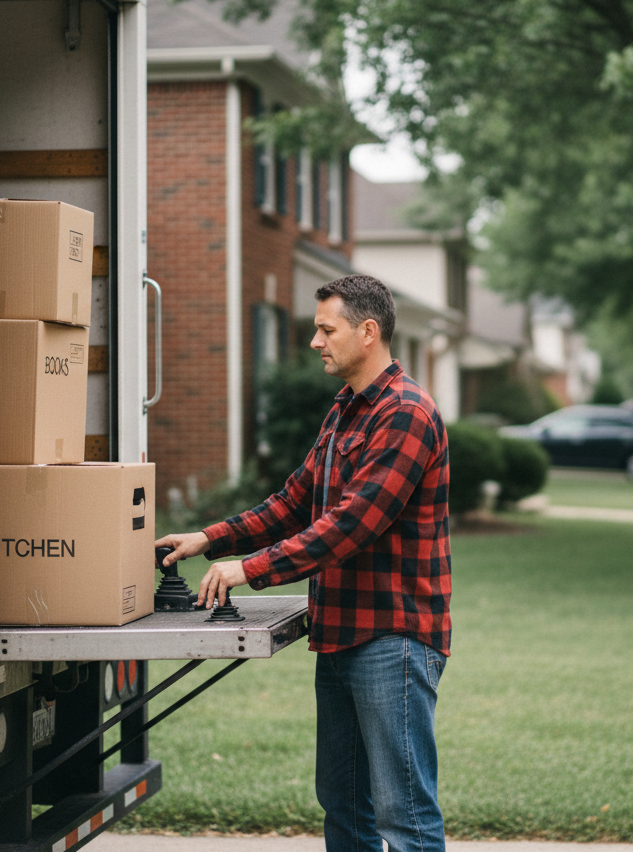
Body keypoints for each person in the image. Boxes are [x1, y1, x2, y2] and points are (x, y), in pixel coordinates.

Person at [155, 273, 451, 852]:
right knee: (343, 807)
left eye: (325, 329)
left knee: (404, 817)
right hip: (341, 637)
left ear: (368, 332)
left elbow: (349, 526)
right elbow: (294, 502)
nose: (315, 342)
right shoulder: (346, 409)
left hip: (394, 639)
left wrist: (249, 570)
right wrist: (210, 538)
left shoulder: (406, 414)